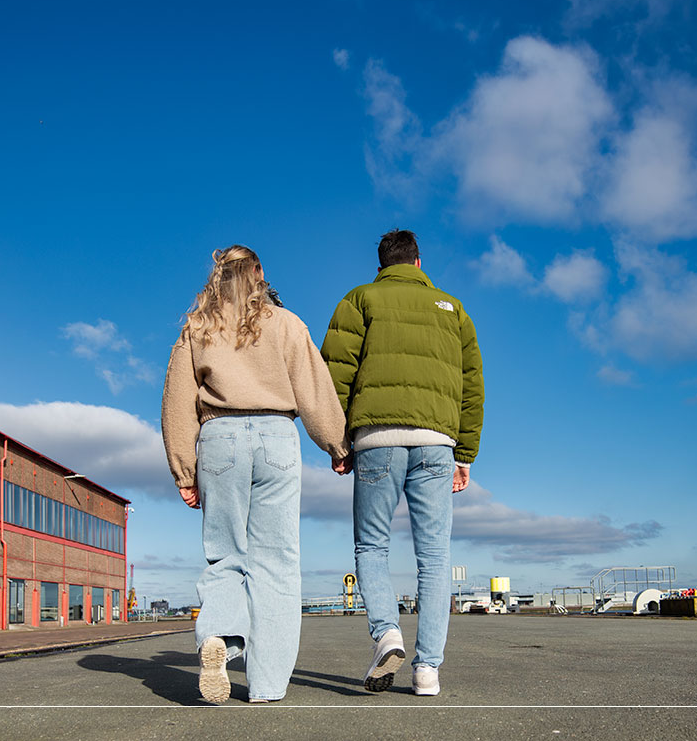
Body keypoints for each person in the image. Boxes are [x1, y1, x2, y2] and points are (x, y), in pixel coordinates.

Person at [161, 245, 349, 704]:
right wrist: (336, 443)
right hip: (277, 438)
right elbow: (313, 386)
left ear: (218, 276)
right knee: (277, 565)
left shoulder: (198, 326)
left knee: (226, 556)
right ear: (259, 273)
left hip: (220, 438)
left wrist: (184, 470)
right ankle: (266, 686)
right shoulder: (285, 323)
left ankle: (218, 638)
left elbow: (177, 402)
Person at [321, 229, 484, 697]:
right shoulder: (453, 309)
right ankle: (427, 669)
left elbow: (335, 374)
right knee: (434, 558)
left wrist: (338, 443)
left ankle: (387, 633)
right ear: (418, 263)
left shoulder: (360, 299)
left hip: (376, 438)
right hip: (437, 442)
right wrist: (466, 454)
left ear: (381, 267)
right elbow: (472, 386)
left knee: (372, 546)